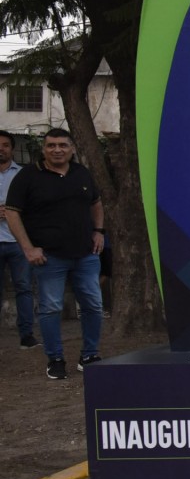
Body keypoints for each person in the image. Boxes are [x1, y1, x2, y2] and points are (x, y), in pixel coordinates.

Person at [4, 127, 104, 379]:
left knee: (93, 304)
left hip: (85, 254)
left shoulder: (82, 173)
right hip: (48, 257)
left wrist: (99, 231)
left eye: (62, 145)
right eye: (51, 145)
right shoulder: (27, 176)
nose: (57, 150)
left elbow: (96, 203)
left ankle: (89, 355)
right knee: (51, 308)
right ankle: (55, 359)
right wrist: (27, 248)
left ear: (71, 148)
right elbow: (12, 212)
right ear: (43, 149)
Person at [0, 130, 34, 348]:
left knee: (24, 288)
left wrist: (13, 212)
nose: (1, 149)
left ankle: (27, 335)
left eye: (5, 145)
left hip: (18, 242)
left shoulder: (23, 175)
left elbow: (34, 205)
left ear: (12, 149)